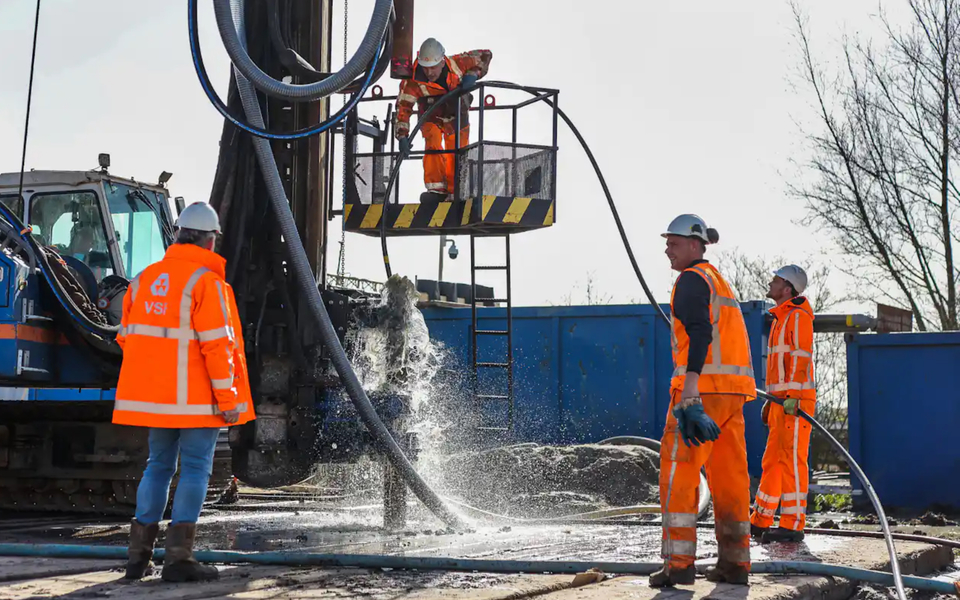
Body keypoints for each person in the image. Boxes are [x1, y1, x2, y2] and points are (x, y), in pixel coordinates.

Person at [112, 201, 255, 583]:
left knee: (157, 467)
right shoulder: (207, 285)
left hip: (154, 400)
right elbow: (217, 347)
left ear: (177, 234)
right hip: (195, 402)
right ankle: (178, 559)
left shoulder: (143, 280)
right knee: (195, 469)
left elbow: (127, 338)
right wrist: (229, 402)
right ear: (211, 243)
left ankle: (137, 558)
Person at [649, 214, 756, 588]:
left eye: (673, 243)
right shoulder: (719, 282)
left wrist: (690, 392)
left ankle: (678, 564)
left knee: (679, 472)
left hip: (701, 393)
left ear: (695, 245)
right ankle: (735, 563)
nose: (667, 249)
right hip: (732, 396)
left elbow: (698, 334)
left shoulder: (691, 280)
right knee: (730, 479)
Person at [750, 265, 816, 543]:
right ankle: (761, 519)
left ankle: (792, 524)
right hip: (781, 402)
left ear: (787, 288)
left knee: (791, 462)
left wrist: (792, 398)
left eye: (775, 280)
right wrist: (772, 400)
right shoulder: (780, 318)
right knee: (773, 461)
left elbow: (800, 359)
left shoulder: (798, 317)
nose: (770, 282)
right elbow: (781, 367)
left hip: (795, 403)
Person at [394, 37, 492, 199]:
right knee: (432, 143)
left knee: (458, 152)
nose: (429, 73)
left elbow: (485, 55)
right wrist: (402, 135)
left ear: (442, 61)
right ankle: (436, 190)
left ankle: (457, 191)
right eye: (425, 68)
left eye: (433, 67)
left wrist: (474, 73)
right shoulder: (412, 81)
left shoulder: (457, 65)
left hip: (457, 117)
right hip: (431, 117)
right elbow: (404, 107)